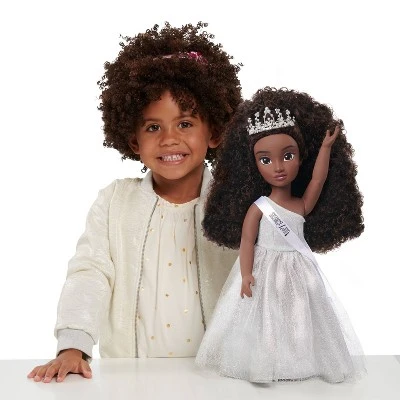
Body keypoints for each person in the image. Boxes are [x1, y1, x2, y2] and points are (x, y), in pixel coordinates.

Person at [28, 22, 241, 383]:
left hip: (220, 379)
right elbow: (90, 272)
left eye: (185, 124)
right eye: (153, 127)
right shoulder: (115, 202)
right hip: (130, 379)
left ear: (216, 132)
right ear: (133, 141)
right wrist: (73, 346)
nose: (169, 139)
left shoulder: (236, 204)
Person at [195, 87, 366, 383]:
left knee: (299, 315)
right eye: (265, 160)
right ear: (253, 165)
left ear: (300, 158)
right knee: (266, 316)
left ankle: (298, 363)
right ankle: (263, 362)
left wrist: (326, 148)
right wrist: (246, 274)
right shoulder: (259, 208)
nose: (278, 167)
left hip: (297, 269)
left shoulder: (301, 205)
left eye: (288, 156)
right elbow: (247, 241)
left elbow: (318, 179)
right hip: (264, 269)